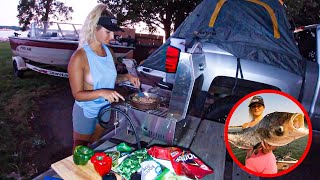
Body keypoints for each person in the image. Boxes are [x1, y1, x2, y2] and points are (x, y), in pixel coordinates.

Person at [68, 4, 140, 150]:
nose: (112, 37)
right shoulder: (79, 57)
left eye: (113, 33)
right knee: (80, 151)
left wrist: (126, 76)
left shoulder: (109, 53)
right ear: (94, 28)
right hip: (85, 111)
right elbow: (77, 95)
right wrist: (102, 93)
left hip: (105, 110)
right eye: (108, 32)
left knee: (95, 145)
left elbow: (108, 80)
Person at [242, 96, 278, 174]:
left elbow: (275, 143)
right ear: (250, 109)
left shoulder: (269, 123)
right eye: (253, 106)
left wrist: (270, 149)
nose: (256, 108)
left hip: (268, 163)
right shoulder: (245, 126)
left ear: (263, 107)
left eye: (259, 106)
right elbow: (243, 147)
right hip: (250, 164)